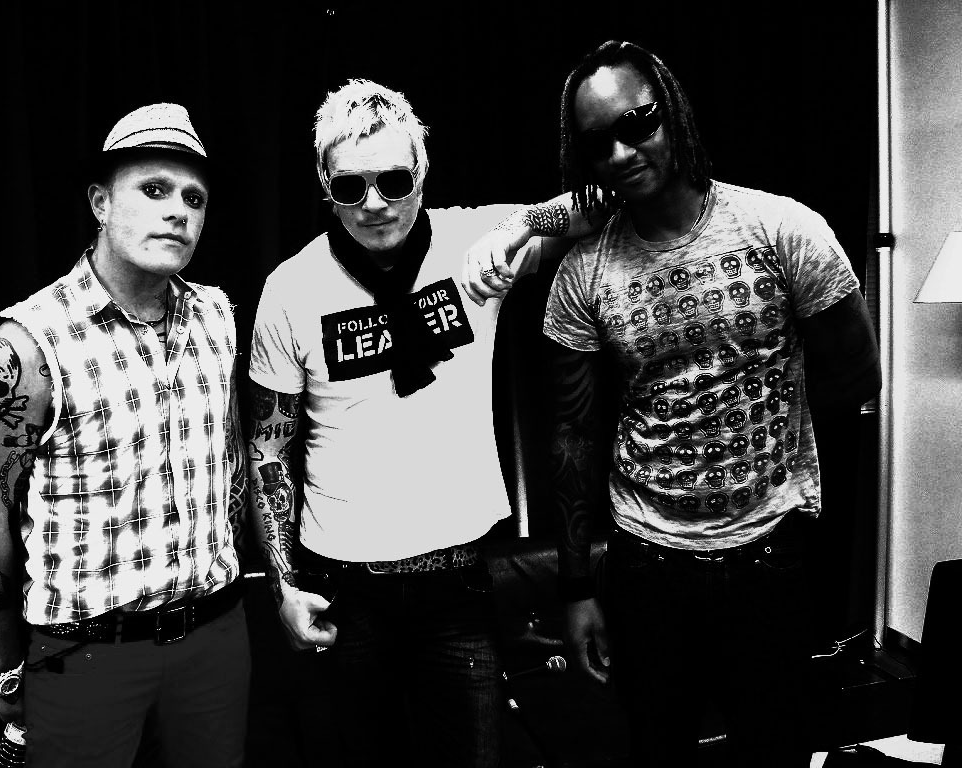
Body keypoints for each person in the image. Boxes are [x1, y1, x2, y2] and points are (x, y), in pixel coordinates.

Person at [536, 41, 881, 767]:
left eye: (638, 124)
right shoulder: (583, 272)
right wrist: (575, 589)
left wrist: (756, 437)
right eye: (598, 142)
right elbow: (571, 435)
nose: (622, 152)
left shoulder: (784, 230)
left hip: (769, 557)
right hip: (647, 566)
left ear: (673, 111)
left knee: (775, 752)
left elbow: (856, 374)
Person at [246, 79, 603, 768]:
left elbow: (603, 203)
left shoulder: (475, 240)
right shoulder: (290, 290)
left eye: (394, 180)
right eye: (350, 186)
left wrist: (521, 227)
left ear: (422, 172)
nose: (374, 203)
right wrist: (285, 586)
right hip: (345, 591)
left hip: (457, 588)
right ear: (324, 186)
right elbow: (268, 451)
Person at [0, 103, 250, 768]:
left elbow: (228, 458)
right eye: (154, 189)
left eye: (193, 198)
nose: (177, 212)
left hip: (214, 637)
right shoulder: (29, 342)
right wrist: (3, 668)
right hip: (87, 651)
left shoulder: (218, 316)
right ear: (100, 203)